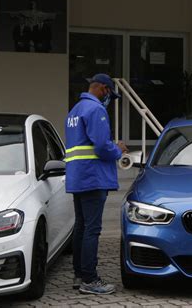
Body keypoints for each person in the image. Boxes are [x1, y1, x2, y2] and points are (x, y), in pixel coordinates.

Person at [65, 73, 127, 294]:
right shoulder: (96, 109)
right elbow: (101, 147)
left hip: (78, 176)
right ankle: (90, 280)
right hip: (93, 177)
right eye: (109, 93)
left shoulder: (75, 110)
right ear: (103, 88)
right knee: (92, 229)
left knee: (81, 227)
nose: (109, 99)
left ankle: (79, 275)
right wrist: (117, 149)